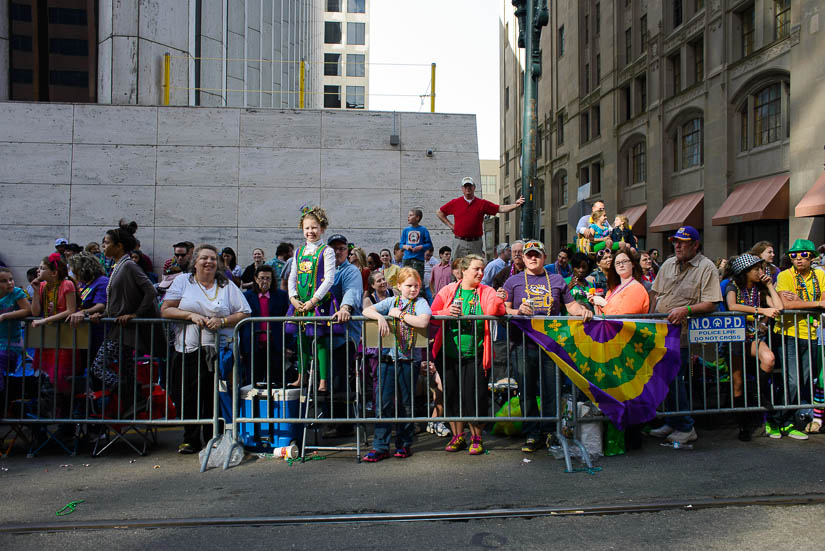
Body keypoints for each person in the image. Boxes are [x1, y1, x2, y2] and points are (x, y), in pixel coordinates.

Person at [502, 241, 593, 452]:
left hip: (551, 345)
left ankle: (551, 432)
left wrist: (584, 311)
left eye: (537, 255)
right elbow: (504, 309)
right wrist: (518, 311)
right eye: (529, 255)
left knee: (552, 390)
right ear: (523, 259)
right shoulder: (513, 281)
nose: (533, 258)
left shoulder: (557, 279)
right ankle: (532, 434)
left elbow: (571, 306)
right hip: (523, 345)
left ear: (544, 257)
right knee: (526, 391)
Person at [161, 244, 251, 454]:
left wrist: (223, 321)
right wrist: (190, 316)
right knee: (187, 394)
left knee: (212, 394)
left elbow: (245, 312)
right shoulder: (184, 281)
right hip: (187, 349)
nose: (209, 262)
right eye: (204, 258)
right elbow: (165, 310)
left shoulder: (226, 284)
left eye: (212, 258)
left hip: (216, 350)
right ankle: (190, 438)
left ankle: (213, 437)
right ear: (195, 262)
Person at [649, 226, 722, 445]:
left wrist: (686, 311)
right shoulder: (669, 263)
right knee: (665, 380)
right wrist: (650, 318)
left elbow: (712, 303)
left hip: (683, 335)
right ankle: (672, 420)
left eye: (682, 242)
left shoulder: (706, 267)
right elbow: (655, 292)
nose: (677, 246)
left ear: (695, 244)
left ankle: (685, 426)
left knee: (676, 379)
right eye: (675, 242)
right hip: (660, 332)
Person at [431, 254, 506, 455]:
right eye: (476, 269)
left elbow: (495, 310)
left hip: (476, 354)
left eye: (482, 269)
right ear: (463, 270)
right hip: (448, 354)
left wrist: (500, 301)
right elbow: (433, 314)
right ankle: (458, 437)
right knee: (452, 395)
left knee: (475, 397)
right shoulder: (448, 291)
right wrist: (447, 312)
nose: (481, 273)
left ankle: (477, 438)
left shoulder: (486, 291)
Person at [361, 268, 432, 461]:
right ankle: (380, 445)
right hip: (387, 358)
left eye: (416, 286)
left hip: (409, 360)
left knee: (405, 403)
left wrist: (399, 315)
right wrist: (381, 317)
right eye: (408, 286)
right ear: (399, 286)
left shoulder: (421, 302)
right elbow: (367, 310)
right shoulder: (392, 301)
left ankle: (404, 443)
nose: (412, 289)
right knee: (382, 404)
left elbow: (423, 321)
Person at [89, 221, 162, 402]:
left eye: (106, 242)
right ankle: (132, 400)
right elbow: (118, 302)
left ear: (119, 246)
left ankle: (129, 395)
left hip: (124, 331)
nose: (103, 246)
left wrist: (135, 315)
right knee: (127, 370)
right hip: (120, 329)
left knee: (98, 367)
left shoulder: (128, 265)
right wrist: (104, 314)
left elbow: (150, 291)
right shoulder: (118, 266)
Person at [766, 239, 825, 439]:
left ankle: (789, 422)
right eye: (794, 255)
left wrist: (802, 302)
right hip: (788, 334)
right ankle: (775, 421)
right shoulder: (785, 276)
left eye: (803, 255)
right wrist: (816, 303)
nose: (798, 259)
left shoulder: (820, 275)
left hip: (812, 333)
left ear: (812, 257)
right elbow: (785, 306)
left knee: (806, 381)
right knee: (792, 381)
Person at [724, 253, 782, 441]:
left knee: (769, 358)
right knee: (738, 381)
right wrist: (761, 311)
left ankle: (757, 393)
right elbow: (732, 306)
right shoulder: (733, 286)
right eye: (756, 269)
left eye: (761, 268)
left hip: (754, 336)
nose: (760, 272)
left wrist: (769, 285)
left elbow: (779, 307)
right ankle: (743, 425)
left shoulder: (760, 288)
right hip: (734, 336)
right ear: (745, 272)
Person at [287, 207, 336, 392]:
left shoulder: (327, 251)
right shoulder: (298, 252)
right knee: (301, 340)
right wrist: (292, 297)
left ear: (322, 228)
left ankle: (323, 380)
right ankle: (302, 376)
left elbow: (329, 279)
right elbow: (292, 277)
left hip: (318, 303)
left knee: (320, 340)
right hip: (300, 303)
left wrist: (314, 300)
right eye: (307, 228)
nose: (310, 232)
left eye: (314, 227)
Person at [320, 233, 364, 438]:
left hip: (344, 337)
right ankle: (330, 418)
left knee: (339, 380)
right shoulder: (323, 270)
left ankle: (342, 424)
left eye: (342, 248)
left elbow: (352, 292)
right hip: (322, 335)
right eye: (334, 248)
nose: (337, 252)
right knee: (325, 379)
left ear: (347, 251)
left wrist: (345, 308)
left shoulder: (351, 271)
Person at [436, 176, 525, 258]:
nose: (468, 188)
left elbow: (500, 208)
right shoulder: (455, 203)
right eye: (465, 186)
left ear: (474, 187)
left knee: (476, 267)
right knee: (456, 268)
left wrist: (516, 205)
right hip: (459, 242)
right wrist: (451, 225)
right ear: (462, 189)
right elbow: (439, 212)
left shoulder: (482, 203)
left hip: (476, 243)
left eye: (470, 186)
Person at [29, 253, 79, 399]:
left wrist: (44, 321)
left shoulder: (67, 284)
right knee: (47, 375)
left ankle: (66, 407)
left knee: (61, 374)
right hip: (49, 338)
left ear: (54, 272)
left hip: (65, 337)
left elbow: (71, 310)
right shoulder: (43, 286)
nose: (38, 271)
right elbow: (35, 311)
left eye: (42, 268)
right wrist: (36, 292)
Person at [240, 264, 290, 386]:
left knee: (276, 382)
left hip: (275, 344)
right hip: (253, 345)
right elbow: (241, 324)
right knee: (252, 382)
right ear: (256, 279)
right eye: (262, 278)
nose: (265, 281)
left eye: (268, 278)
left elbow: (288, 321)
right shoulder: (246, 297)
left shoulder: (281, 296)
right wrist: (241, 349)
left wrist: (288, 345)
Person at [67, 252, 109, 359]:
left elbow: (101, 305)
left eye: (72, 268)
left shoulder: (102, 281)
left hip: (98, 333)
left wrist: (83, 312)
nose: (71, 271)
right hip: (83, 333)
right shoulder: (82, 283)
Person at [588, 251, 649, 315]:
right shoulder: (614, 288)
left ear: (632, 264)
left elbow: (623, 318)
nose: (621, 265)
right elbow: (605, 313)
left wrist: (603, 303)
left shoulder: (636, 288)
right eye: (617, 263)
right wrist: (596, 302)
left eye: (624, 261)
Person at [0, 268, 31, 393]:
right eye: (3, 281)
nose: (9, 283)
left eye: (11, 279)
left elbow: (27, 310)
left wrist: (4, 316)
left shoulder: (16, 293)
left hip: (10, 343)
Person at [400, 208, 434, 281]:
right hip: (407, 258)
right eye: (408, 215)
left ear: (417, 218)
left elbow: (429, 244)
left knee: (417, 279)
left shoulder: (423, 229)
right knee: (405, 279)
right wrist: (406, 247)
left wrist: (420, 247)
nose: (408, 217)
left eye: (411, 215)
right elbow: (401, 244)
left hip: (418, 259)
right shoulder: (405, 230)